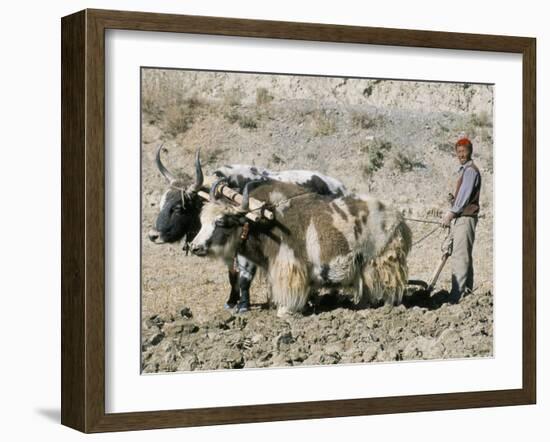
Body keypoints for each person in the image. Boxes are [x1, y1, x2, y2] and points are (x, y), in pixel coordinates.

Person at [441, 137, 482, 303]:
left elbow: (464, 197)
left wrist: (450, 214)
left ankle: (457, 296)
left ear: (470, 151)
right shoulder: (465, 170)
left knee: (460, 256)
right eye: (458, 152)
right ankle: (466, 293)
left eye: (464, 151)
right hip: (464, 217)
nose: (461, 154)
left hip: (465, 218)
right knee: (464, 255)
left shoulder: (470, 170)